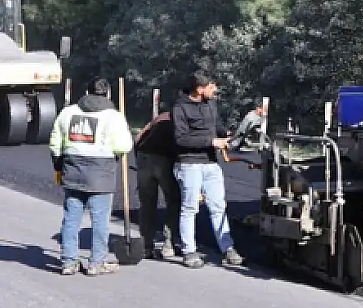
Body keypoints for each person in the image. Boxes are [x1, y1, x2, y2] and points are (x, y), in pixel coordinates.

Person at [48, 77, 134, 276]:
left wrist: (59, 168)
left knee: (71, 218)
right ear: (108, 95)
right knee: (100, 220)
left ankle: (69, 262)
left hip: (73, 172)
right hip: (100, 175)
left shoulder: (68, 112)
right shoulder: (114, 117)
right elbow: (123, 146)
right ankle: (97, 262)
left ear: (86, 93)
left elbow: (55, 144)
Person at [173, 72, 239, 269]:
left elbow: (216, 126)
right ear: (199, 89)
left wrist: (226, 134)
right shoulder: (180, 108)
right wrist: (211, 142)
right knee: (190, 208)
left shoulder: (210, 105)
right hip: (189, 164)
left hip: (211, 163)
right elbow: (181, 139)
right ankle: (189, 251)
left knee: (218, 206)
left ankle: (227, 249)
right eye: (211, 87)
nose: (215, 90)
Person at [133, 105, 182, 260]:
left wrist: (138, 162)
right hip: (164, 159)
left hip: (143, 156)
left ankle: (146, 245)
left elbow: (138, 137)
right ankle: (169, 243)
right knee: (174, 200)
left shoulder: (160, 117)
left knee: (147, 203)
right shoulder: (184, 119)